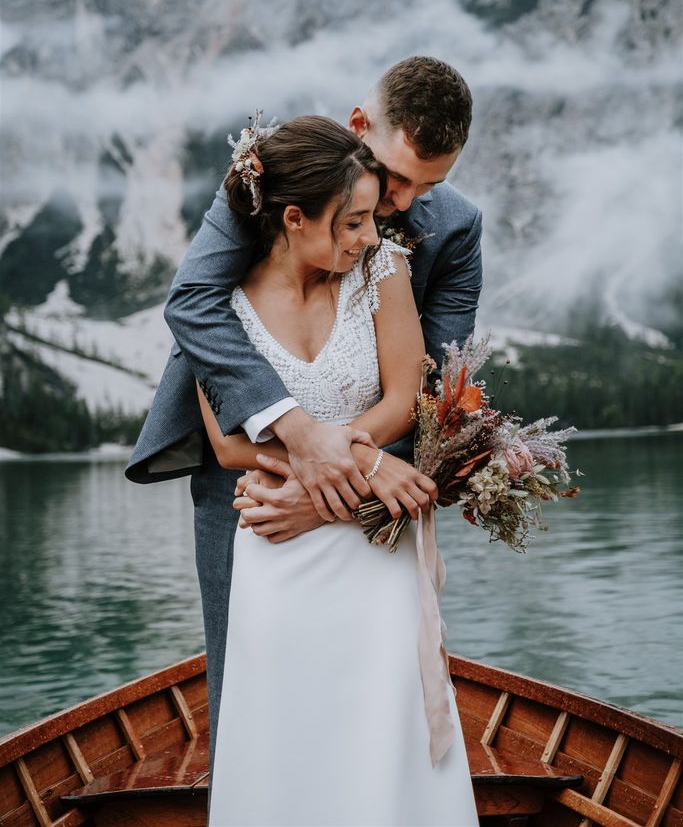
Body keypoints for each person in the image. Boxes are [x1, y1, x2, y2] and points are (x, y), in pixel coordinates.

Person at [125, 56, 483, 780]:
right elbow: (194, 302)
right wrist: (299, 438)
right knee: (247, 690)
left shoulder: (452, 230)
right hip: (247, 482)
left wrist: (339, 484)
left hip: (375, 491)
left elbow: (432, 385)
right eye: (396, 177)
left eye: (429, 185)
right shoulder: (273, 182)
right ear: (360, 128)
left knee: (378, 708)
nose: (404, 204)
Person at [200, 114, 478, 825]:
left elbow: (404, 396)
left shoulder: (381, 269)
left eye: (367, 220)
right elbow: (228, 445)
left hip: (370, 545)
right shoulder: (217, 305)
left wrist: (339, 476)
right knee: (285, 739)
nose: (366, 237)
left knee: (384, 733)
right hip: (274, 549)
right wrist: (365, 465)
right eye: (351, 223)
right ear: (294, 219)